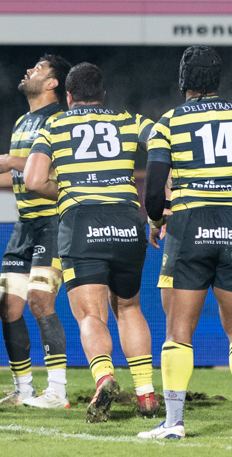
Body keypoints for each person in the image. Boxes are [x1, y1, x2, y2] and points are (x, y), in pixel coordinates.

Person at [138, 46, 232, 440]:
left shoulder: (168, 122)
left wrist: (156, 219)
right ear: (216, 80)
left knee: (179, 329)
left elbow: (152, 190)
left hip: (189, 225)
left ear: (184, 80)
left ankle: (174, 423)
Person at [22, 63, 159, 423]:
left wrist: (66, 189)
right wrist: (166, 194)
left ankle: (105, 378)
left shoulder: (54, 124)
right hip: (128, 221)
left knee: (90, 314)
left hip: (82, 222)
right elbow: (164, 141)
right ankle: (145, 393)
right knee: (129, 307)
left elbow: (33, 179)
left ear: (67, 96)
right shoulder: (129, 119)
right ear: (103, 94)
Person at [0, 54, 72, 410]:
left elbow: (62, 176)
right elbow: (8, 175)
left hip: (54, 223)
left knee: (40, 299)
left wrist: (15, 162)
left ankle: (58, 390)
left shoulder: (61, 120)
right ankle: (24, 390)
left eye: (39, 69)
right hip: (25, 225)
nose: (29, 70)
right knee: (8, 306)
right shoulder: (22, 122)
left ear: (52, 83)